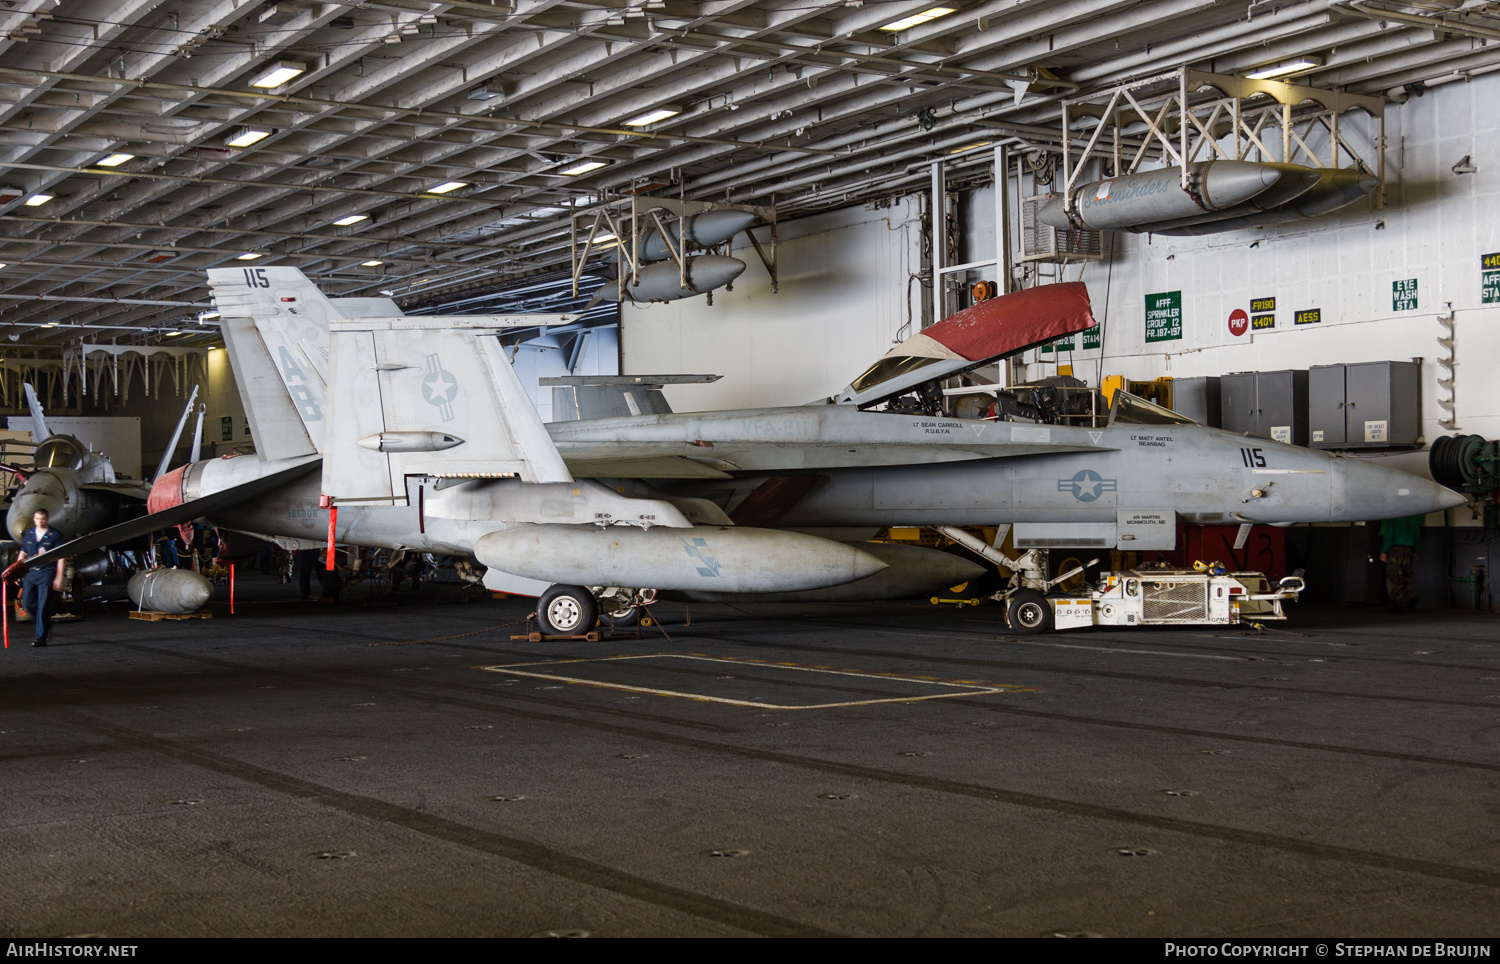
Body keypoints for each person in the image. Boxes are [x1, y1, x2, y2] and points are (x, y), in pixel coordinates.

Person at [16, 508, 66, 647]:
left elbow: (61, 556)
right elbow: (23, 553)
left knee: (43, 605)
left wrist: (59, 577)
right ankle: (44, 624)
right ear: (34, 519)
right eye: (38, 519)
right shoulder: (30, 534)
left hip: (47, 572)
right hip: (31, 573)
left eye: (43, 519)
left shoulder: (55, 535)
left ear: (47, 519)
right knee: (28, 604)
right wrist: (16, 571)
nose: (40, 521)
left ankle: (41, 637)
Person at [1379, 514, 1424, 613]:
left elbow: (1389, 533)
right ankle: (1412, 596)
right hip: (1409, 548)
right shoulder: (1413, 517)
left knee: (1393, 576)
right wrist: (1415, 550)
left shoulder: (1394, 517)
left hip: (1396, 549)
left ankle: (1397, 603)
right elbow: (1417, 534)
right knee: (1406, 575)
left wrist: (1384, 550)